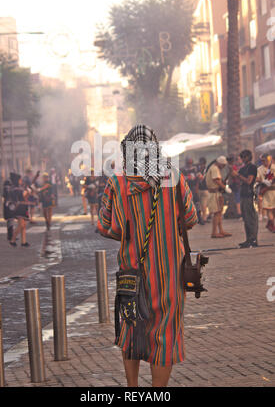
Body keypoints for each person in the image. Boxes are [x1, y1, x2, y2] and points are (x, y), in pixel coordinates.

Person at [98, 125, 198, 387]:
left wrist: (131, 231)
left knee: (131, 328)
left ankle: (133, 389)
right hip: (169, 275)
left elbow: (107, 227)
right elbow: (190, 218)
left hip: (132, 271)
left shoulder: (117, 183)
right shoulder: (173, 177)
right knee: (165, 332)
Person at [232, 149, 258, 248]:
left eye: (243, 157)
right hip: (242, 194)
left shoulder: (252, 167)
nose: (242, 159)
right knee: (246, 218)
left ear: (247, 157)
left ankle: (253, 239)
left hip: (249, 194)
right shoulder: (243, 168)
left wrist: (238, 175)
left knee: (251, 218)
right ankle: (249, 239)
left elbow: (249, 181)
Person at [206, 156, 232, 238]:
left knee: (219, 213)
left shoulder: (214, 168)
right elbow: (216, 180)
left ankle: (221, 230)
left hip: (216, 193)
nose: (223, 167)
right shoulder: (214, 168)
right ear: (220, 163)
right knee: (217, 213)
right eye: (223, 165)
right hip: (214, 193)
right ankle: (214, 232)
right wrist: (225, 187)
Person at [9, 173, 31, 247]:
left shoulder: (18, 188)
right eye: (20, 179)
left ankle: (23, 242)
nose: (21, 181)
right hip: (18, 208)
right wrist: (27, 191)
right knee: (21, 225)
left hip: (22, 207)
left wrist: (28, 192)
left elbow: (25, 197)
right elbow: (22, 195)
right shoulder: (15, 189)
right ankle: (13, 239)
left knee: (23, 225)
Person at [256, 153, 275, 233]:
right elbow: (256, 178)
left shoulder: (273, 167)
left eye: (266, 160)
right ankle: (272, 225)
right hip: (266, 191)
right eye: (263, 161)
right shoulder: (259, 169)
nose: (265, 162)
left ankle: (270, 224)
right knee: (269, 209)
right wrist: (263, 181)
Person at [2, 173, 16, 241]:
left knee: (10, 219)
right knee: (10, 219)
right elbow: (7, 194)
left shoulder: (8, 184)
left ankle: (10, 235)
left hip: (8, 203)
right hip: (9, 204)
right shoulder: (8, 184)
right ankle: (10, 235)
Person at [197, 157, 209, 223]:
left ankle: (204, 218)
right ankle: (201, 218)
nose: (201, 165)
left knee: (203, 205)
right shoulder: (198, 170)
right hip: (198, 189)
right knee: (199, 205)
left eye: (201, 164)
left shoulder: (206, 170)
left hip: (204, 189)